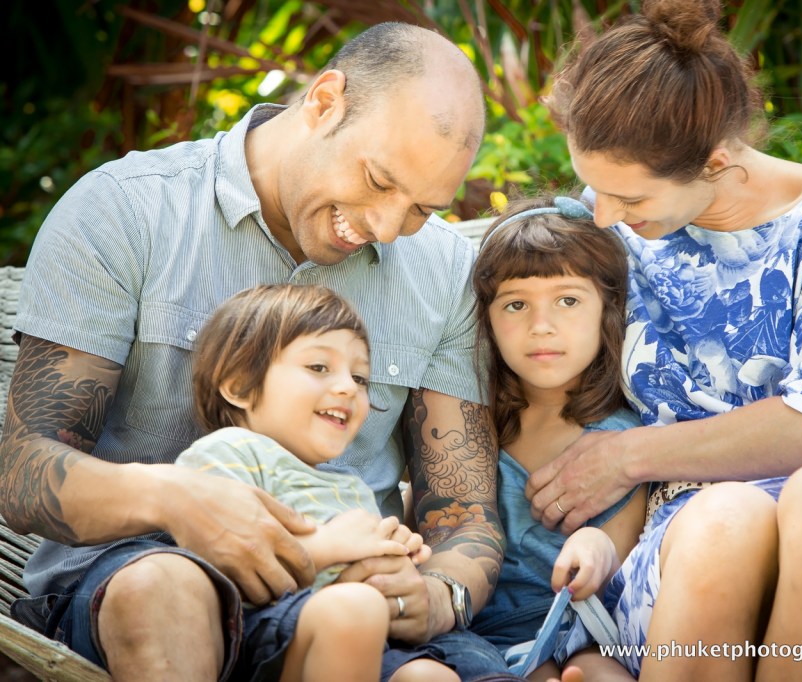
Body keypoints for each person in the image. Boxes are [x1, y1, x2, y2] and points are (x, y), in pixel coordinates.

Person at [0, 22, 509, 682]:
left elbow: (462, 512)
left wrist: (437, 594)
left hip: (348, 606)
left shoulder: (445, 272)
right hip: (136, 574)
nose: (387, 227)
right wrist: (175, 498)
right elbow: (22, 469)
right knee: (162, 589)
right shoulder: (126, 211)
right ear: (324, 101)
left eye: (421, 209)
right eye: (379, 181)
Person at [526, 1, 802, 680]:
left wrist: (627, 457)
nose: (604, 215)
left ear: (716, 162)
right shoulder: (607, 229)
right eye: (595, 187)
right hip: (691, 535)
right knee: (724, 519)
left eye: (631, 200)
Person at [176, 282, 464, 682]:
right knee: (354, 609)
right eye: (318, 367)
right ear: (240, 385)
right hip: (262, 633)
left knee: (431, 676)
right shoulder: (226, 453)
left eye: (360, 377)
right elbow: (211, 568)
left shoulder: (349, 486)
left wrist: (394, 557)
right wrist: (330, 546)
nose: (348, 387)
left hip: (364, 639)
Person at [468, 197, 646, 682]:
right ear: (487, 319)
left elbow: (618, 550)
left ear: (608, 310)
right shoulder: (468, 427)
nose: (541, 326)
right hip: (471, 638)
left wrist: (593, 543)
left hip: (583, 628)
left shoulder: (624, 437)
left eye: (568, 301)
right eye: (516, 304)